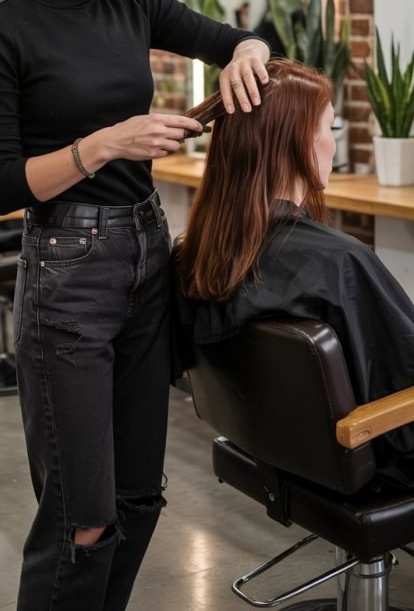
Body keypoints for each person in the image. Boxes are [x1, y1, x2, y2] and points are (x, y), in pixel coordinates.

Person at [0, 0, 271, 611]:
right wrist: (103, 146)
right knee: (83, 519)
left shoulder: (133, 9)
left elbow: (242, 38)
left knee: (139, 499)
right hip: (67, 271)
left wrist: (243, 54)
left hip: (145, 257)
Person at [175, 58, 414, 488]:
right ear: (299, 141)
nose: (333, 145)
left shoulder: (201, 253)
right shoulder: (341, 261)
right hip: (380, 463)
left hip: (278, 452)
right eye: (329, 128)